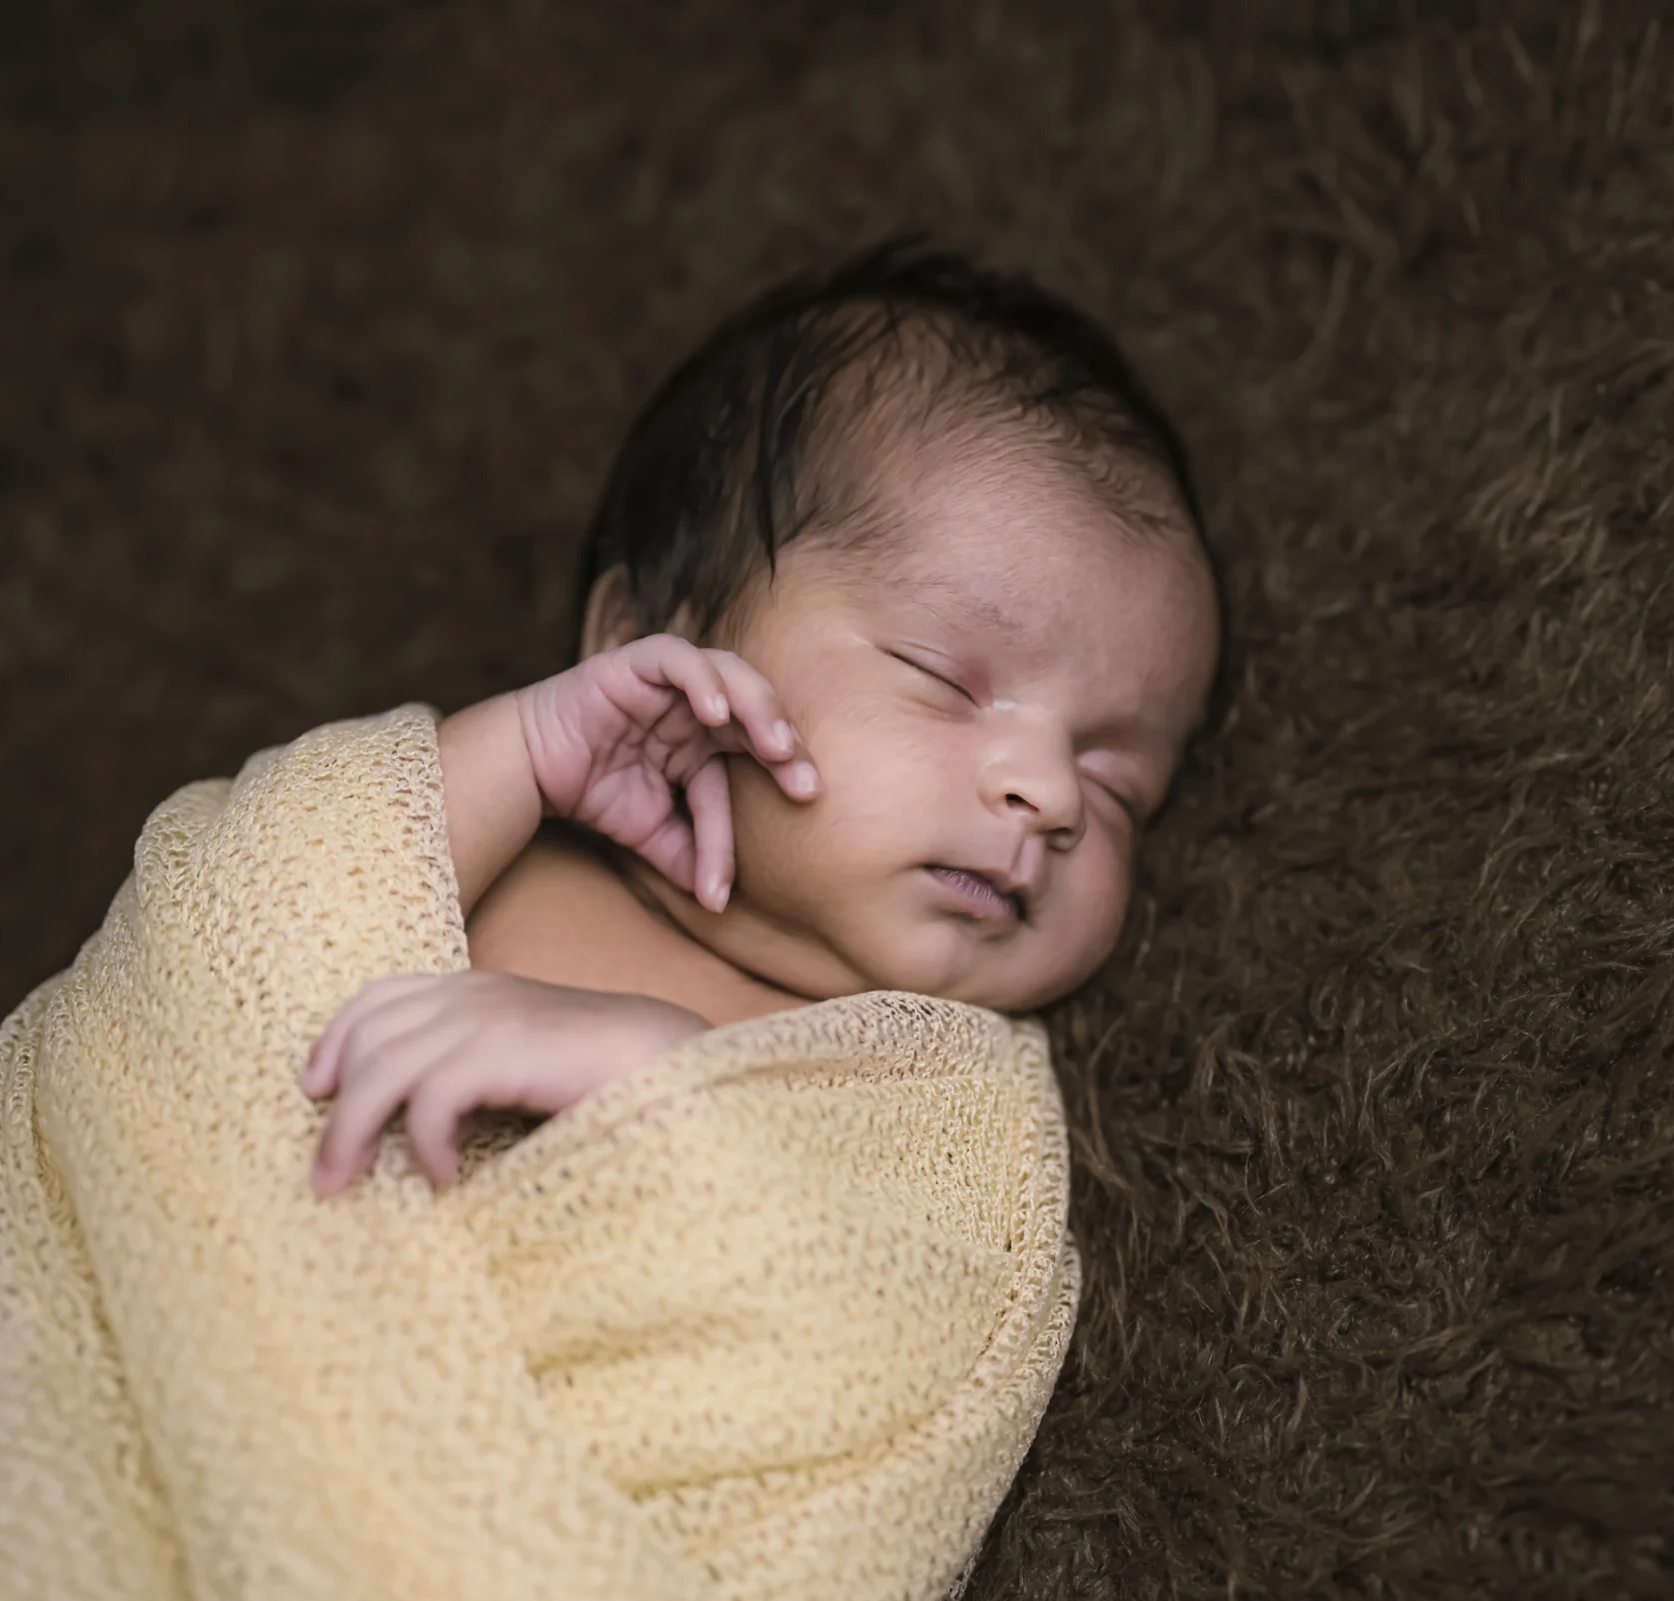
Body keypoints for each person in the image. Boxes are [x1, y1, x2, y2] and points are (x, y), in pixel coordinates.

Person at [300, 240, 1226, 1198]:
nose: (1053, 793)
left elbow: (900, 1313)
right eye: (942, 677)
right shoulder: (475, 847)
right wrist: (518, 753)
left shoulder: (949, 1097)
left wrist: (671, 1087)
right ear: (650, 641)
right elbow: (234, 920)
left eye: (1120, 786)